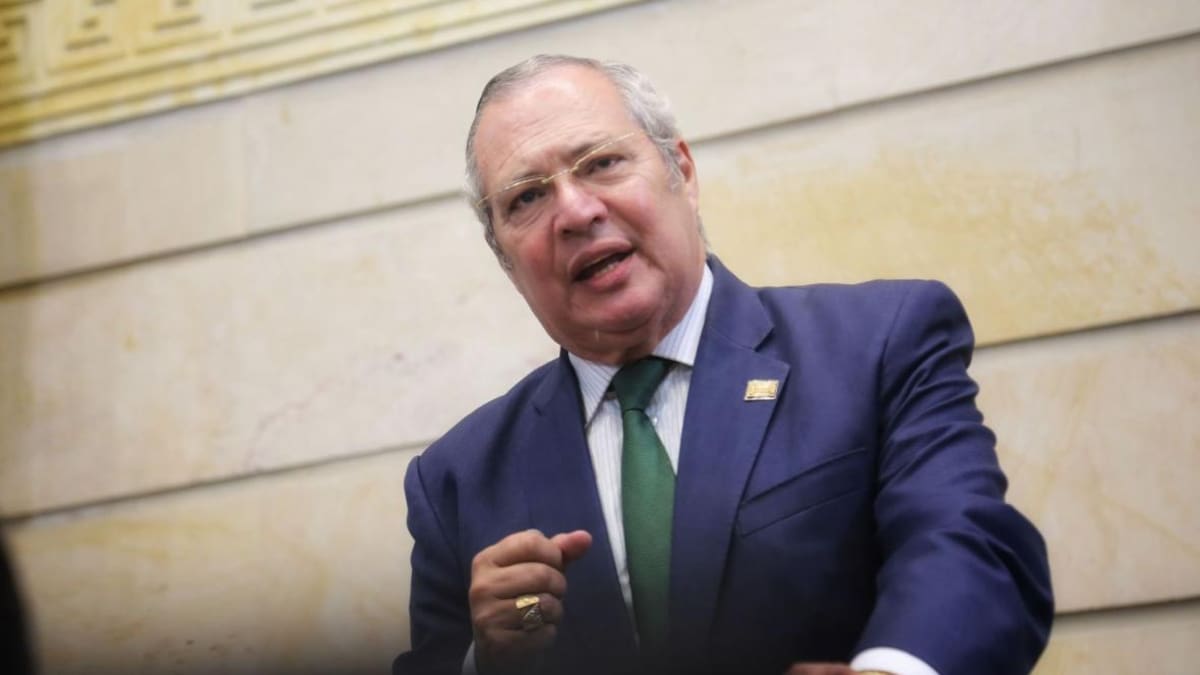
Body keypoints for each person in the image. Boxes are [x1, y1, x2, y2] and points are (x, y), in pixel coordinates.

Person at [394, 55, 1053, 675]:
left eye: (601, 163)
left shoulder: (875, 344)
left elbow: (969, 549)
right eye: (526, 198)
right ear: (505, 259)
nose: (574, 211)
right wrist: (488, 659)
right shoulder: (457, 481)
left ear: (681, 172)